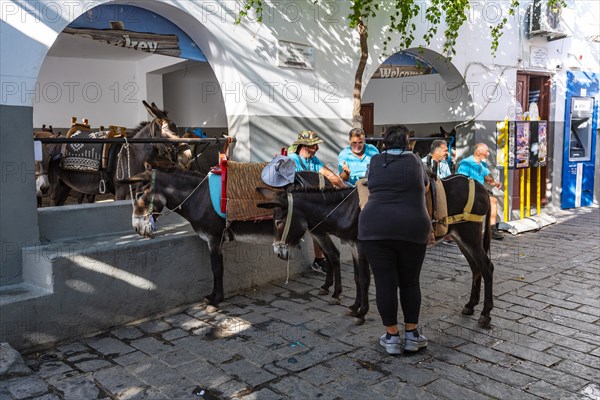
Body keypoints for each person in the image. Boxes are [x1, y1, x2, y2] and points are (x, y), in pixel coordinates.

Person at [358, 125, 432, 354]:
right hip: (412, 228)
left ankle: (391, 338)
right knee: (410, 282)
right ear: (408, 143)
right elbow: (426, 186)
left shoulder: (375, 161)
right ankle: (411, 335)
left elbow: (371, 185)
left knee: (385, 282)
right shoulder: (416, 161)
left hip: (374, 228)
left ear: (384, 143)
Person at [288, 130, 346, 274]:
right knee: (319, 221)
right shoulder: (292, 160)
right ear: (304, 146)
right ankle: (319, 260)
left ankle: (321, 259)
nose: (317, 149)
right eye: (314, 146)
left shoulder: (312, 159)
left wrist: (344, 188)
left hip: (309, 200)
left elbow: (328, 174)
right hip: (295, 200)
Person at [457, 143, 504, 240]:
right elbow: (462, 180)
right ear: (478, 152)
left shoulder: (482, 164)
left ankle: (492, 229)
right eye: (486, 151)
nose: (488, 154)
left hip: (480, 191)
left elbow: (488, 179)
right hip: (469, 191)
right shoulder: (466, 163)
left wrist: (496, 183)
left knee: (493, 201)